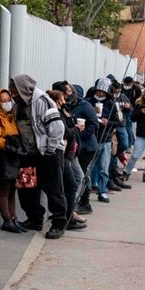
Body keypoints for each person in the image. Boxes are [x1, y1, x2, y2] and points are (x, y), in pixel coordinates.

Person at [10, 74, 67, 239]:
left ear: (24, 90)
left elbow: (57, 128)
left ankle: (58, 223)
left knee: (53, 189)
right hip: (28, 153)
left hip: (48, 152)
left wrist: (50, 149)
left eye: (16, 91)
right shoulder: (18, 104)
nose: (13, 95)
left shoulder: (42, 101)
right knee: (27, 188)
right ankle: (34, 218)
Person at [46, 90, 86, 231]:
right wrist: (76, 129)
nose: (64, 101)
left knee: (72, 184)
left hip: (67, 153)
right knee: (69, 185)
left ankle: (69, 215)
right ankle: (66, 217)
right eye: (62, 99)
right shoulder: (54, 114)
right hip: (60, 153)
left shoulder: (63, 112)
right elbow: (64, 132)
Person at [60, 82, 100, 215]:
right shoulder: (64, 106)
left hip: (86, 147)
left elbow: (93, 126)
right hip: (73, 147)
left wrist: (77, 134)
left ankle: (84, 201)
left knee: (81, 174)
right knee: (78, 176)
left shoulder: (85, 106)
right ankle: (77, 202)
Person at [0, 88, 22, 233]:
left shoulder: (10, 116)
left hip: (12, 157)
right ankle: (7, 220)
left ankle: (14, 219)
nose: (7, 103)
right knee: (4, 189)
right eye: (3, 101)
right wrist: (7, 144)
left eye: (9, 100)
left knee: (12, 189)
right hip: (2, 157)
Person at [85, 79, 116, 203]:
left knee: (104, 168)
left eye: (103, 92)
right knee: (89, 167)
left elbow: (117, 122)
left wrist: (108, 123)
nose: (101, 94)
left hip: (105, 138)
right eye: (99, 91)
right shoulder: (87, 102)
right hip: (92, 139)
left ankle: (102, 191)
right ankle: (86, 191)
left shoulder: (111, 104)